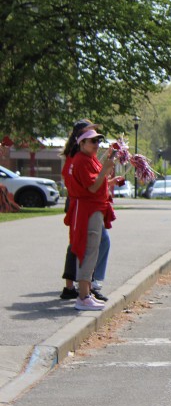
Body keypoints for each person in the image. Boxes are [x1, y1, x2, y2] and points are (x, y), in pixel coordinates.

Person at [59, 120, 112, 302]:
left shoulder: (85, 157)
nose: (96, 142)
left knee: (86, 244)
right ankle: (86, 290)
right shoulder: (79, 158)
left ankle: (83, 288)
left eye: (98, 139)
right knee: (85, 246)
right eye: (92, 138)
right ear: (81, 139)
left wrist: (106, 176)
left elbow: (96, 180)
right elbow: (90, 186)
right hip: (83, 205)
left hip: (86, 204)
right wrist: (105, 171)